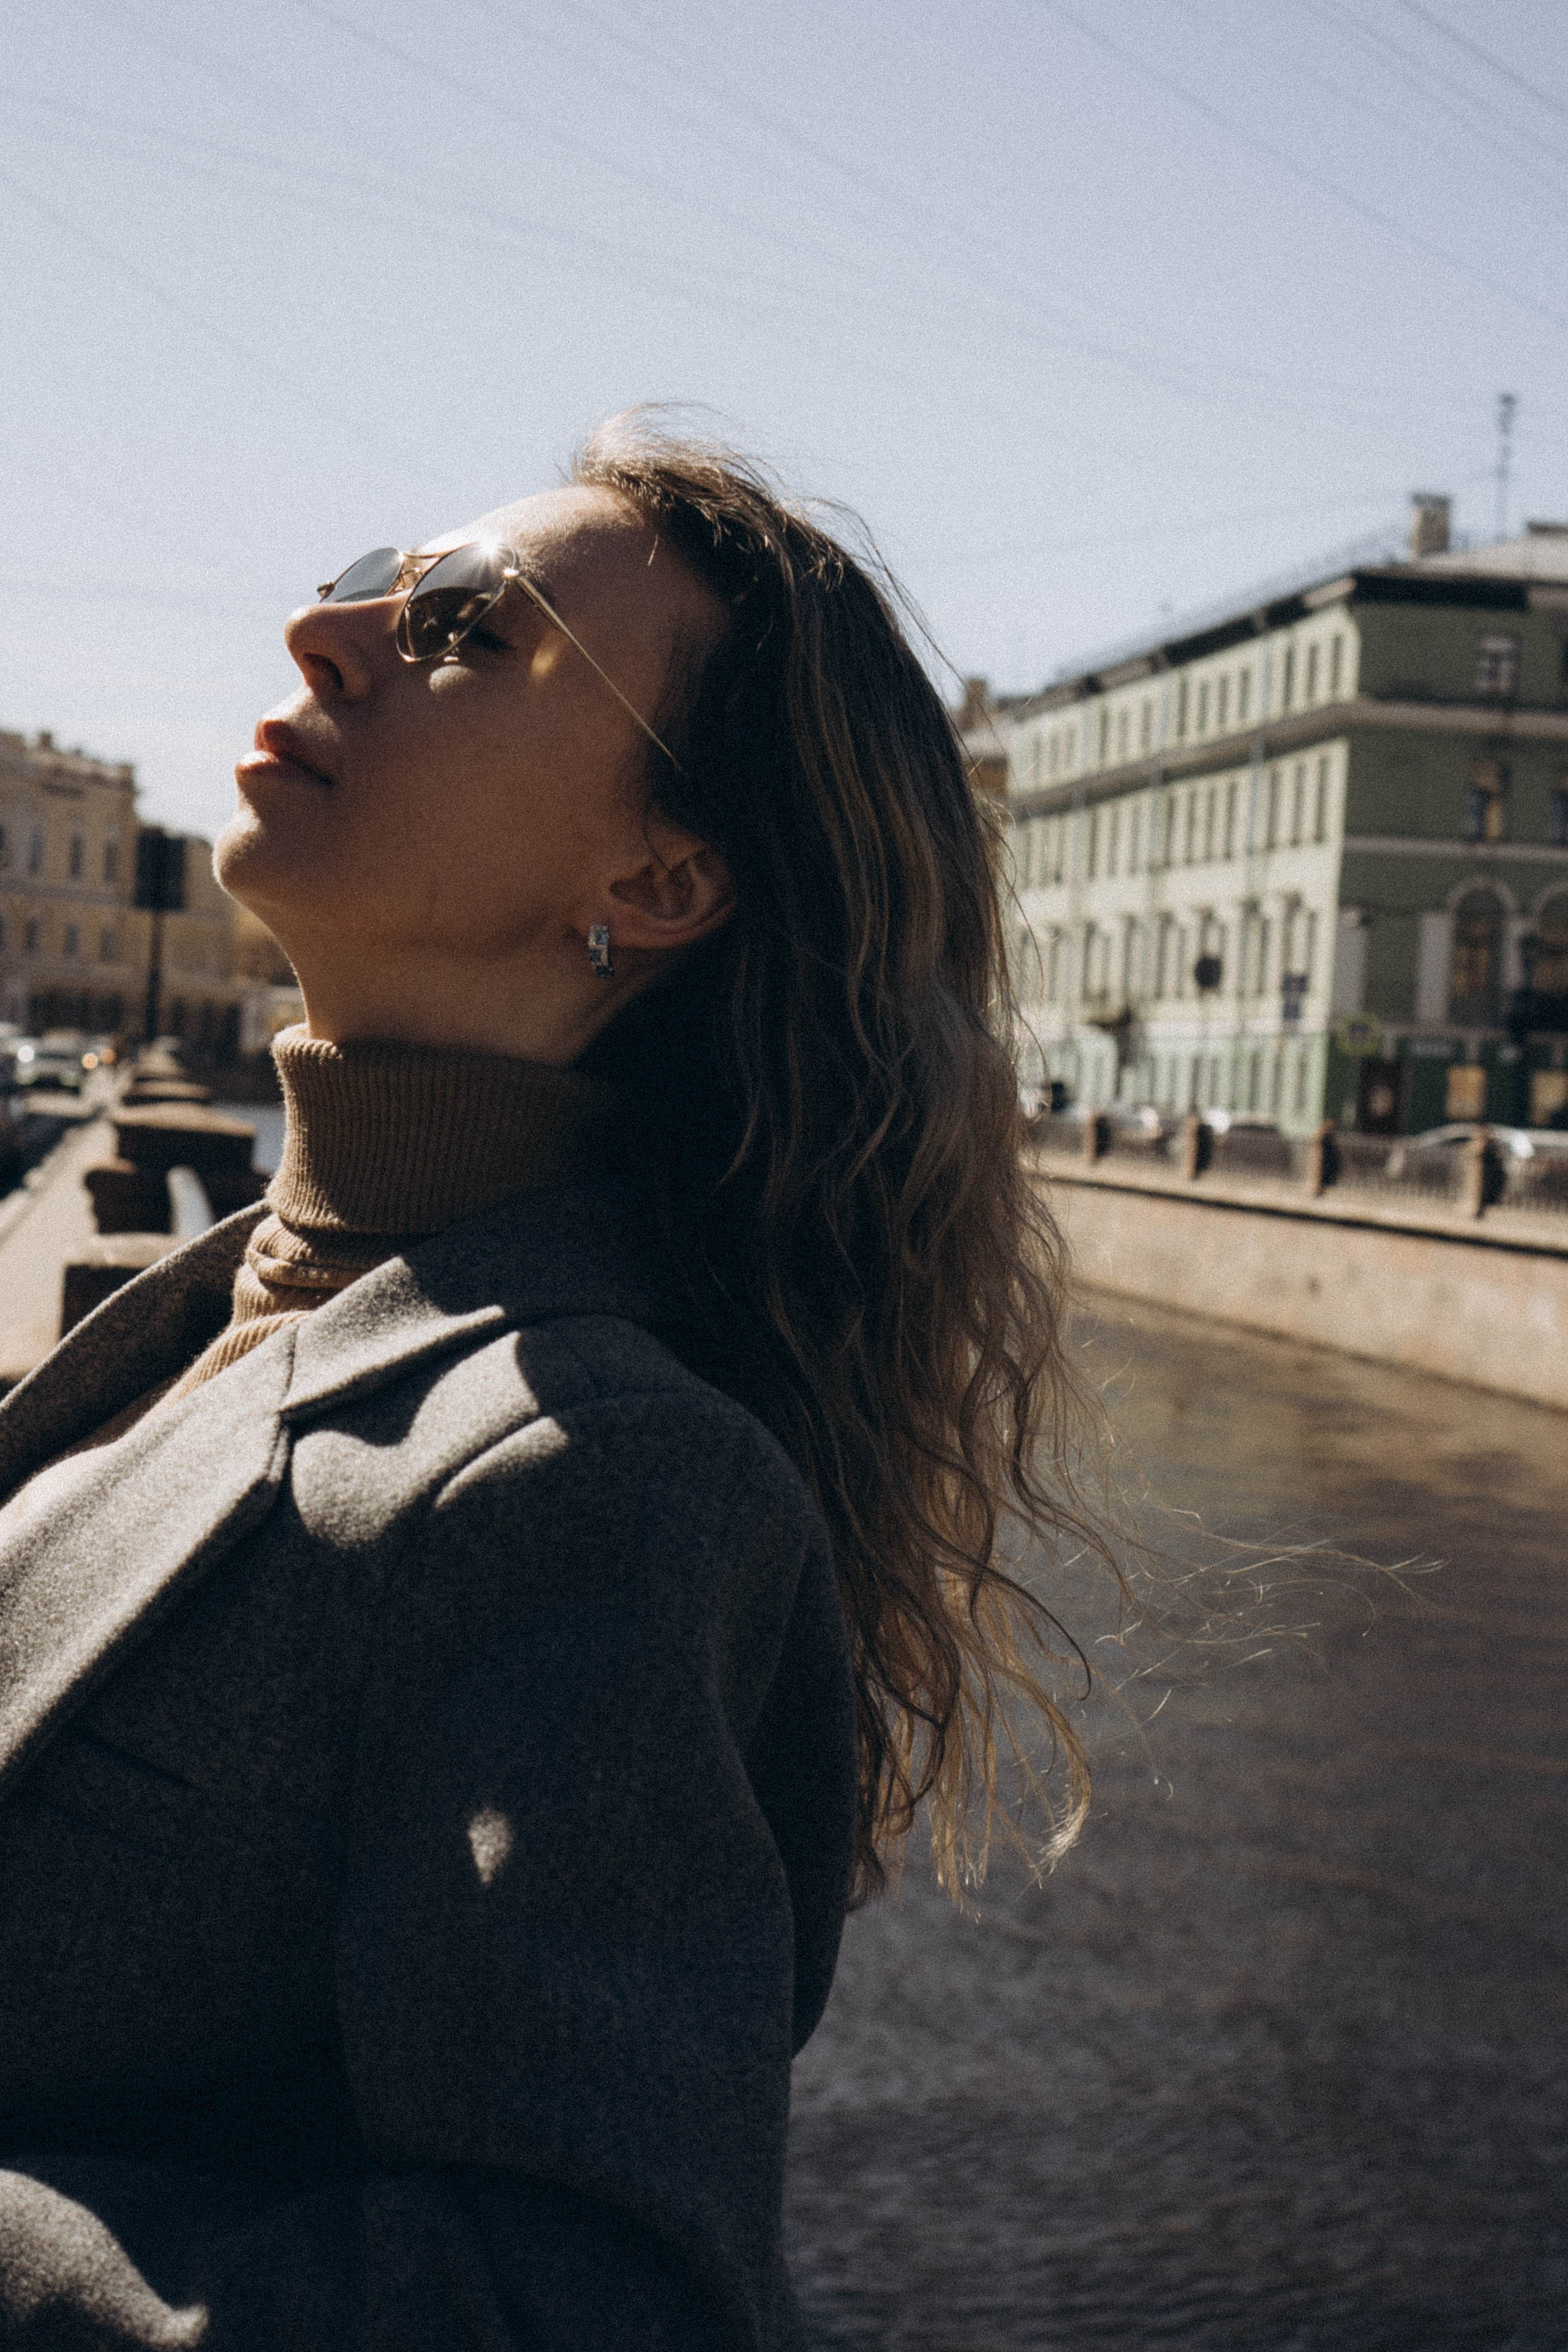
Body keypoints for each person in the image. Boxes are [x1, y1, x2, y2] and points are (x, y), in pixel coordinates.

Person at [0, 417, 1097, 2347]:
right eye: (378, 593)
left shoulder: (598, 1473)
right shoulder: (247, 1292)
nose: (324, 638)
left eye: (467, 635)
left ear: (660, 883)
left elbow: (592, 2300)